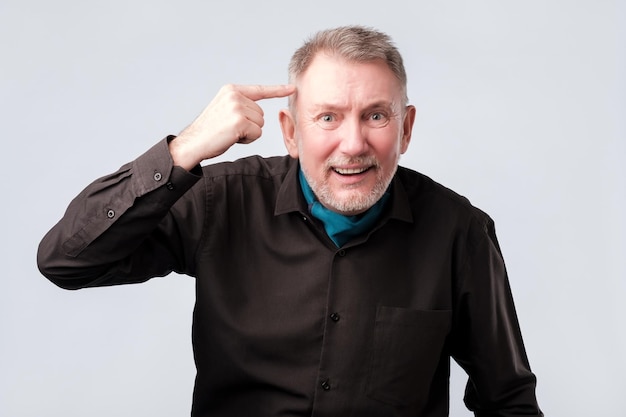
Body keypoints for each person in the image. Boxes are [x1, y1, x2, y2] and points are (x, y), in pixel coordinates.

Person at [37, 26, 543, 416]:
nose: (353, 144)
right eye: (327, 117)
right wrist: (184, 149)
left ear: (405, 128)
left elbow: (509, 401)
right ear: (290, 132)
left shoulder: (460, 232)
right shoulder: (221, 199)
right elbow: (66, 260)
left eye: (375, 116)